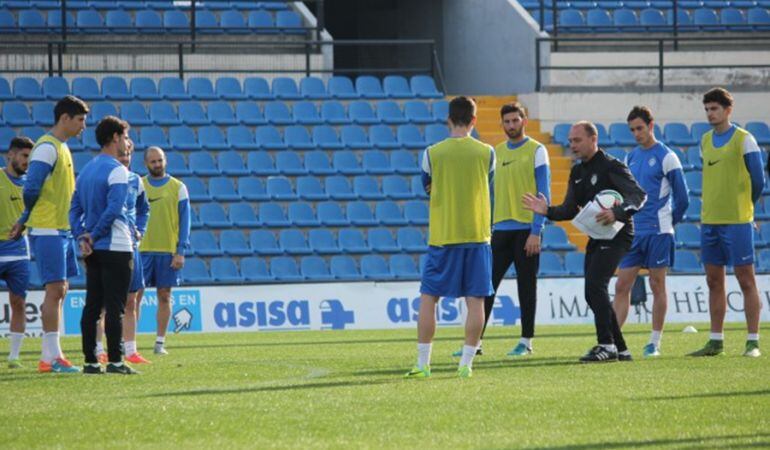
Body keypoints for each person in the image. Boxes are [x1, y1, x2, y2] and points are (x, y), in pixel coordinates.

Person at [523, 121, 647, 363]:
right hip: (597, 234)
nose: (572, 145)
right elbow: (570, 209)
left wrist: (617, 212)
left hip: (618, 234)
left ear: (593, 139)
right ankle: (621, 349)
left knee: (595, 286)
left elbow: (638, 196)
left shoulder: (611, 166)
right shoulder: (578, 172)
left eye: (577, 140)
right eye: (570, 141)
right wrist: (547, 210)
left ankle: (606, 345)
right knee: (592, 292)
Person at [405, 96, 495, 379]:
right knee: (475, 302)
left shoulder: (432, 153)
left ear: (448, 119)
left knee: (429, 298)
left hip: (443, 236)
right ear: (474, 120)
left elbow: (427, 186)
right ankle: (466, 364)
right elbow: (488, 181)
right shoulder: (487, 152)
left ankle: (423, 364)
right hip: (477, 236)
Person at [452, 102, 550, 358]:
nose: (511, 125)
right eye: (507, 121)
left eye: (515, 120)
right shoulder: (495, 152)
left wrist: (537, 230)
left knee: (526, 286)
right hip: (500, 230)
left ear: (524, 121)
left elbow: (544, 194)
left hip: (527, 229)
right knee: (486, 286)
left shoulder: (537, 150)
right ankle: (475, 343)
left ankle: (526, 341)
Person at [10, 96, 89, 374]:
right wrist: (25, 218)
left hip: (61, 229)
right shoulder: (46, 148)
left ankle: (50, 355)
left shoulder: (61, 147)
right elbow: (31, 187)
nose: (83, 126)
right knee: (55, 290)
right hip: (47, 228)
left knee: (61, 290)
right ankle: (52, 358)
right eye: (80, 120)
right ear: (65, 118)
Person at [689, 87, 765, 358]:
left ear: (728, 110)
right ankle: (715, 341)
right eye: (707, 109)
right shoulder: (705, 140)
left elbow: (759, 180)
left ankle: (753, 342)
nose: (710, 113)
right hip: (710, 221)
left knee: (746, 280)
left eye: (715, 109)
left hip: (737, 221)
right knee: (713, 281)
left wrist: (748, 209)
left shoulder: (744, 139)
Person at [612, 106, 689, 358]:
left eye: (640, 128)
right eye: (632, 130)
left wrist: (667, 223)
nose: (636, 133)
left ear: (651, 126)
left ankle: (654, 342)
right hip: (634, 233)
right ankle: (612, 342)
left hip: (659, 233)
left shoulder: (667, 156)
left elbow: (683, 198)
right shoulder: (630, 158)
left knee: (657, 285)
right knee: (622, 285)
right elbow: (625, 195)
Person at [70, 116, 137, 375]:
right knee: (115, 308)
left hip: (93, 249)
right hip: (116, 245)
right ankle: (116, 361)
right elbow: (114, 208)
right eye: (125, 137)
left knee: (92, 306)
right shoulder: (118, 170)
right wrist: (95, 235)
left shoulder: (86, 170)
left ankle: (90, 361)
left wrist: (82, 236)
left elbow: (74, 209)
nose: (127, 143)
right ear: (116, 137)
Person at [94, 138, 151, 365]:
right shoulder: (103, 178)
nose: (125, 158)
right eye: (121, 154)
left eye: (128, 154)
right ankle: (99, 348)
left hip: (130, 246)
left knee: (131, 299)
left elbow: (144, 210)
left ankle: (130, 350)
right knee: (102, 302)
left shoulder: (136, 180)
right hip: (107, 245)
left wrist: (140, 230)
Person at [137, 146, 190, 355]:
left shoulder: (178, 187)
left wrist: (180, 250)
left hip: (168, 252)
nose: (157, 164)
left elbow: (185, 222)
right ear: (146, 164)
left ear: (165, 160)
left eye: (160, 160)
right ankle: (129, 344)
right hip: (142, 251)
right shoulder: (139, 185)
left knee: (165, 296)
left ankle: (160, 343)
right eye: (153, 161)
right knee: (134, 297)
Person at [1, 137, 33, 368]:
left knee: (19, 302)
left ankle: (14, 356)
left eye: (30, 158)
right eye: (24, 156)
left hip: (19, 251)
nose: (27, 161)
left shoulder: (31, 185)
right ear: (10, 155)